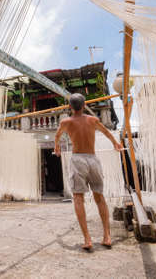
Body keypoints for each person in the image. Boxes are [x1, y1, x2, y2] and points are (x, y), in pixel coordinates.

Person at [54, 93, 123, 251]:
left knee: (78, 198)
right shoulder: (93, 120)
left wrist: (56, 146)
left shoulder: (66, 122)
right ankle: (107, 236)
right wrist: (116, 144)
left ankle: (87, 239)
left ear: (70, 107)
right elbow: (106, 132)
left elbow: (57, 135)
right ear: (84, 105)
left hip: (78, 160)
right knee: (99, 197)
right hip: (93, 159)